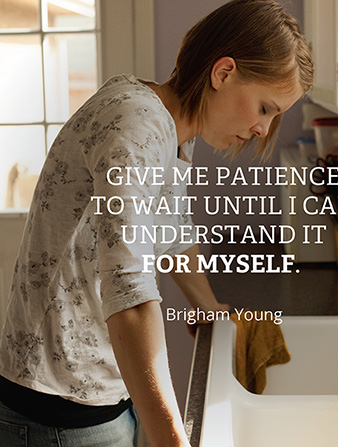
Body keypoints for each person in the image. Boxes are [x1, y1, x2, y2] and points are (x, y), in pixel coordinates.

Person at [0, 0, 313, 446]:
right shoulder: (137, 124)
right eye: (265, 107)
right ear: (223, 73)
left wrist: (207, 304)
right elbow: (129, 292)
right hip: (58, 413)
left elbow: (172, 233)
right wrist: (172, 439)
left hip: (96, 397)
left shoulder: (172, 128)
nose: (264, 129)